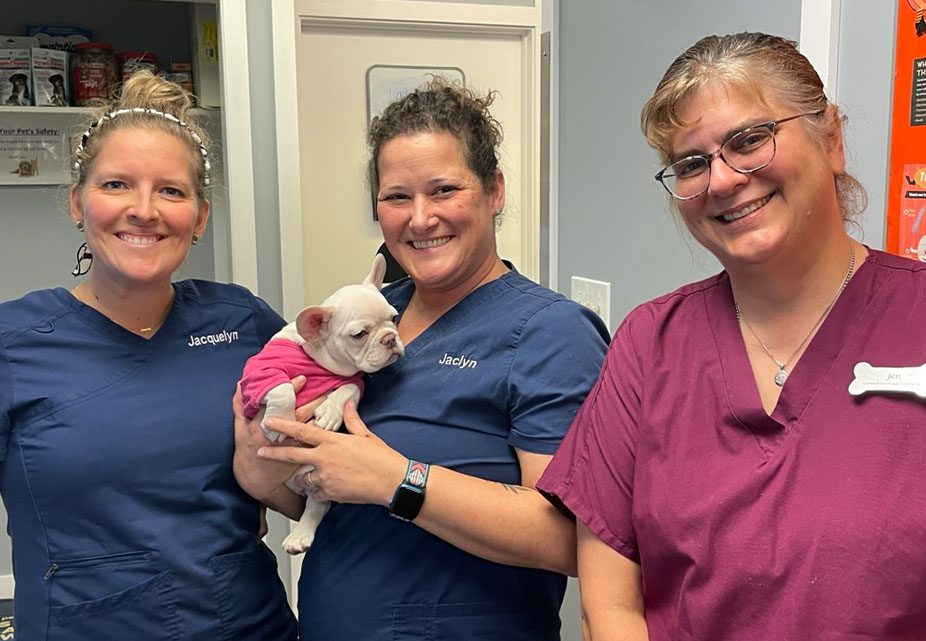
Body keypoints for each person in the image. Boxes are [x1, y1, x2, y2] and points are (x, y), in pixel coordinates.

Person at [537, 31, 926, 641]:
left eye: (749, 140)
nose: (721, 180)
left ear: (832, 139)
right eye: (692, 164)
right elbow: (610, 606)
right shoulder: (650, 343)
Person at [233, 79, 610, 640]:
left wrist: (396, 480)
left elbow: (569, 540)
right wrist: (260, 465)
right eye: (397, 197)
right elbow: (326, 489)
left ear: (495, 191)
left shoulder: (552, 333)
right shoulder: (370, 320)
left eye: (444, 190)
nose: (420, 218)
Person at [0, 71, 297, 640]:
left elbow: (312, 477)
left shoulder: (242, 323)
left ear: (200, 217)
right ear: (76, 203)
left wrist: (262, 481)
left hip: (248, 627)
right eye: (116, 185)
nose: (144, 209)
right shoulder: (16, 344)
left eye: (172, 190)